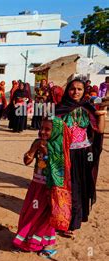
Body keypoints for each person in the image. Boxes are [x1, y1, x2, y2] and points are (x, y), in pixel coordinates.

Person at [13, 117, 72, 257]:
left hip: (50, 188)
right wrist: (34, 148)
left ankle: (48, 245)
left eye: (47, 129)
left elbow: (60, 169)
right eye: (41, 128)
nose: (43, 132)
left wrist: (47, 152)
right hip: (36, 185)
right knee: (30, 212)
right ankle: (28, 242)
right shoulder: (37, 142)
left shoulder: (60, 146)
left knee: (45, 216)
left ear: (56, 131)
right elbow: (27, 161)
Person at [55, 78, 106, 235]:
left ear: (84, 91)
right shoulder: (60, 108)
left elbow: (100, 130)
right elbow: (50, 131)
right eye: (72, 89)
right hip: (65, 153)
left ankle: (72, 222)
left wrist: (102, 112)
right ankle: (61, 218)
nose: (75, 92)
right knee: (65, 187)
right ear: (67, 90)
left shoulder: (88, 108)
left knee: (79, 187)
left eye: (79, 89)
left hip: (84, 154)